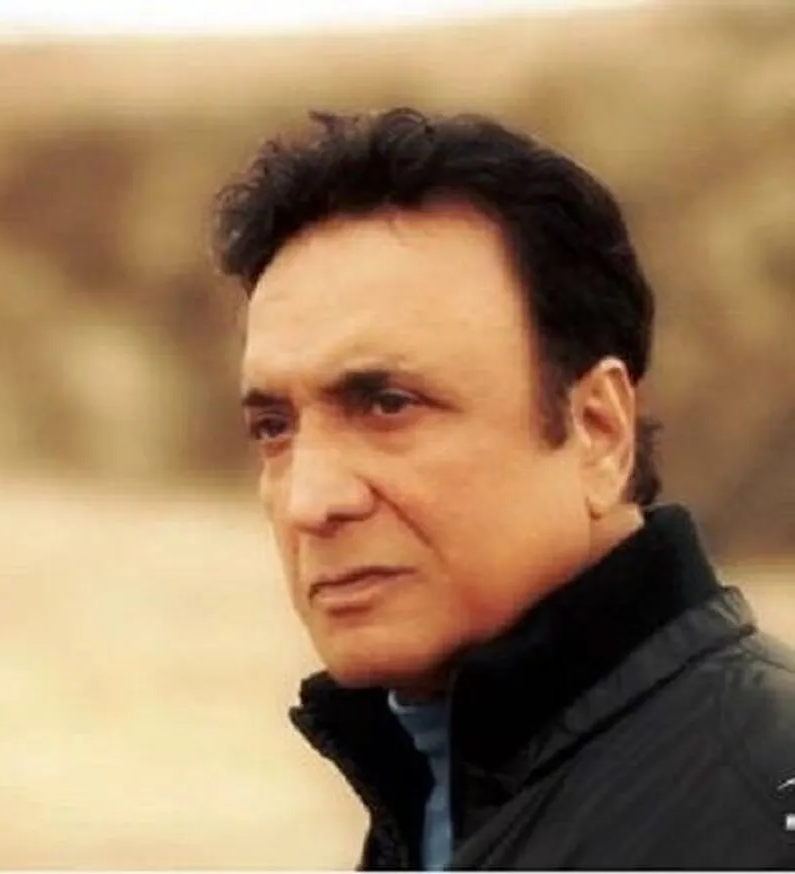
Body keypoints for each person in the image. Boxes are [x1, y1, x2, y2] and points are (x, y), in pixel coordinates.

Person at [210, 108, 795, 869]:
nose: (308, 502)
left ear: (597, 430)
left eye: (388, 405)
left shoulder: (759, 808)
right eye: (274, 428)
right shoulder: (434, 782)